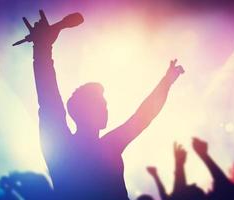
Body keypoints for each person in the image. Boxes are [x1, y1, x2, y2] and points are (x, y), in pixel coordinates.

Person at [21, 10, 184, 199]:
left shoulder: (100, 146)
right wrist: (41, 50)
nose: (105, 109)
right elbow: (48, 99)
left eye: (104, 104)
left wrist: (167, 82)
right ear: (80, 111)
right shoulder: (69, 147)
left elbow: (143, 116)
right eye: (99, 104)